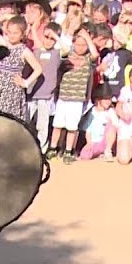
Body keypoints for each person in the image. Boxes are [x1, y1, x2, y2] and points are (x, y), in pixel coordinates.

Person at [49, 30, 94, 164]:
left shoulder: (87, 59)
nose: (80, 48)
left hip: (77, 100)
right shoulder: (66, 56)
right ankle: (53, 148)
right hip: (63, 97)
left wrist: (87, 37)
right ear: (73, 44)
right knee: (57, 125)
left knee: (72, 127)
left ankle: (69, 150)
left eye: (83, 45)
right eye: (78, 44)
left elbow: (95, 53)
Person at [28, 23, 63, 151]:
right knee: (27, 121)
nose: (49, 41)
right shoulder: (35, 51)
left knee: (42, 125)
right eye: (46, 37)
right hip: (31, 93)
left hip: (46, 95)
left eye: (52, 39)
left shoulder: (56, 53)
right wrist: (33, 27)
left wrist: (56, 36)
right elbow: (36, 40)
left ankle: (42, 149)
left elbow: (66, 49)